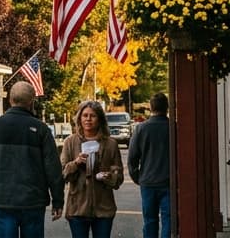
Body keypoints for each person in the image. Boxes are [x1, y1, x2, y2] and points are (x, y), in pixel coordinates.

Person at [0, 81, 64, 238]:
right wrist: (58, 200)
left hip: (2, 198)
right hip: (33, 200)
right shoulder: (41, 129)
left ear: (10, 100)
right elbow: (53, 168)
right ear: (31, 102)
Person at [60, 101, 123, 238]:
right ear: (79, 118)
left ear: (99, 119)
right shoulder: (70, 142)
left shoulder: (110, 144)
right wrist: (76, 163)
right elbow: (63, 174)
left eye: (92, 116)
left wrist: (109, 176)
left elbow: (119, 178)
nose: (88, 119)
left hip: (104, 209)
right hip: (77, 209)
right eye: (85, 115)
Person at [129, 93, 172, 238]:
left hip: (148, 181)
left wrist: (138, 177)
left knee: (150, 220)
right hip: (168, 181)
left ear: (151, 107)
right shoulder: (173, 127)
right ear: (167, 107)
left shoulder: (141, 129)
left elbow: (132, 158)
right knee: (168, 219)